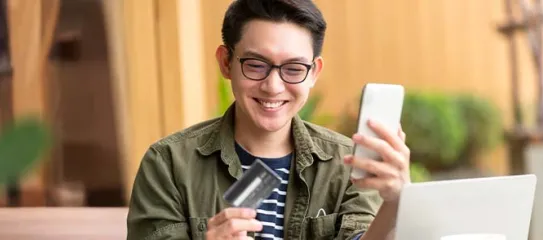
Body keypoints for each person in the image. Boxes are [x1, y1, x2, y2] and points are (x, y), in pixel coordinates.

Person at [125, 0, 411, 239]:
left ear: (314, 72)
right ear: (226, 62)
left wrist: (396, 202)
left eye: (294, 68)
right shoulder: (168, 164)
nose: (273, 86)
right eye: (256, 65)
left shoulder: (348, 164)